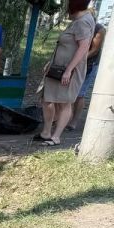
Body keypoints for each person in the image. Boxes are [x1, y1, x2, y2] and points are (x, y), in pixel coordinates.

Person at [35, 0, 96, 145]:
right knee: (47, 99)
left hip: (68, 70)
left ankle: (55, 137)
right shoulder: (78, 20)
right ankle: (46, 132)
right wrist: (51, 62)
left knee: (64, 103)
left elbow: (83, 48)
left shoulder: (83, 22)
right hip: (58, 68)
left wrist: (69, 70)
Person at [70, 17, 106, 131]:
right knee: (70, 92)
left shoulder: (99, 29)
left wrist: (79, 59)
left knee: (80, 94)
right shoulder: (77, 25)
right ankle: (66, 117)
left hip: (89, 64)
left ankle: (74, 121)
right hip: (73, 62)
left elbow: (95, 50)